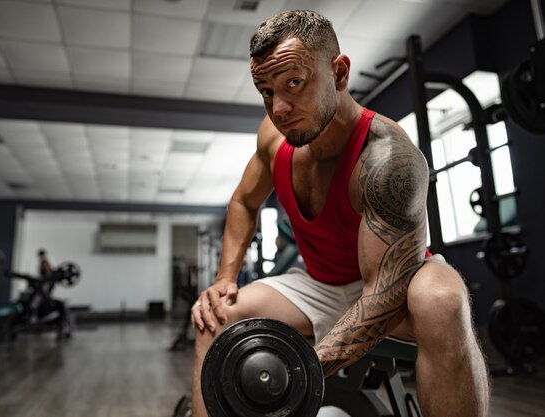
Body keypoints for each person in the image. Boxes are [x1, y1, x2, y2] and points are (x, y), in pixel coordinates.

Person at [190, 10, 489, 417]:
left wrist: (297, 371)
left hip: (395, 282)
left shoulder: (387, 160)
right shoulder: (274, 137)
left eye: (294, 83)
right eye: (266, 90)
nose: (279, 108)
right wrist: (224, 279)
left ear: (339, 73)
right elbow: (244, 201)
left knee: (442, 299)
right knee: (214, 315)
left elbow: (381, 297)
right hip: (319, 283)